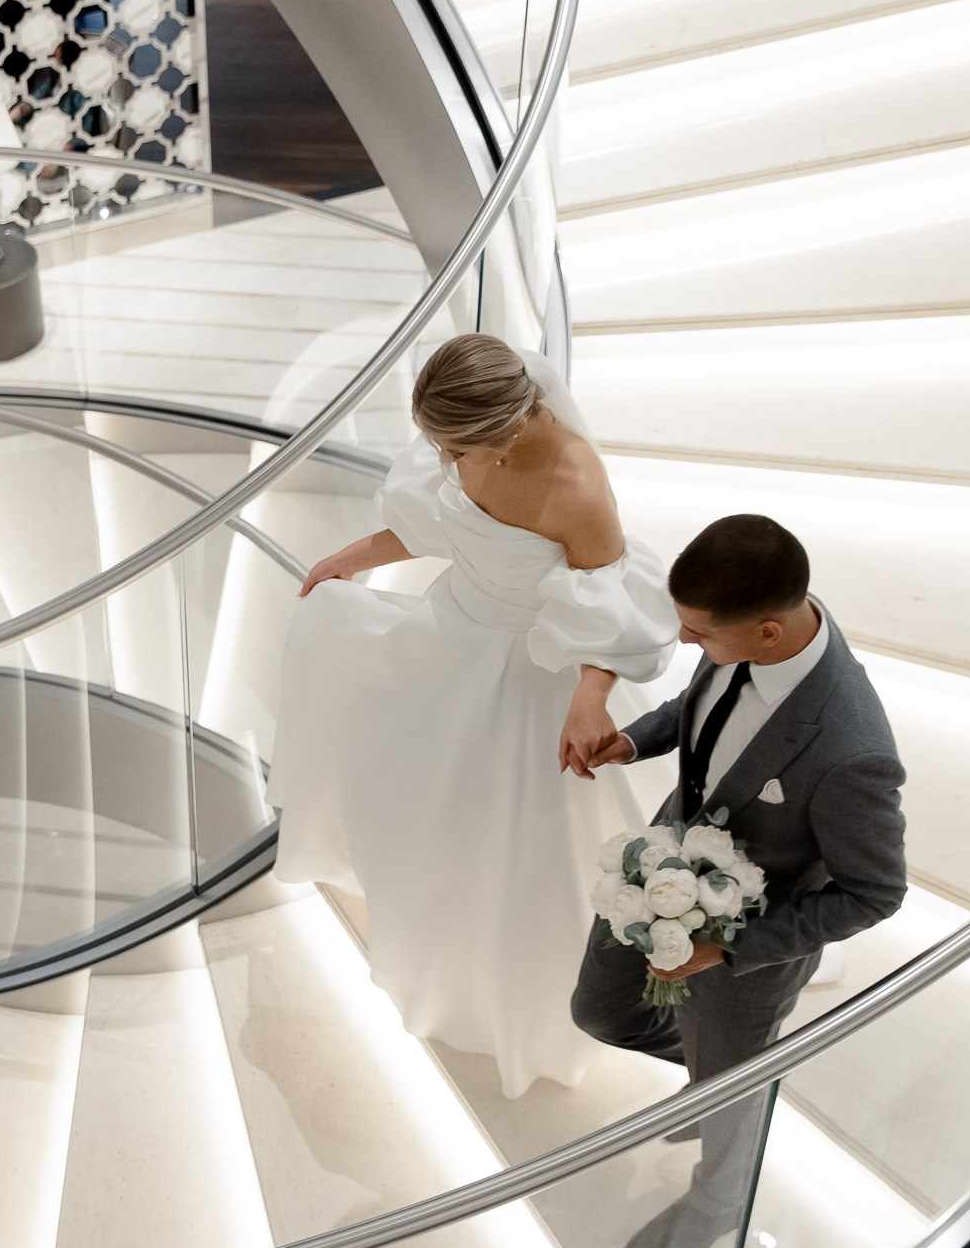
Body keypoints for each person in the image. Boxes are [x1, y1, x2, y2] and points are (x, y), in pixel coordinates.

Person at [270, 332, 679, 1097]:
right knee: (418, 797)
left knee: (518, 847)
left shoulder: (575, 483)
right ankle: (432, 941)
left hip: (533, 668)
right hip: (451, 633)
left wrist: (588, 701)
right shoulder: (460, 444)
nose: (446, 460)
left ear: (511, 427)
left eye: (457, 447)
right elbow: (441, 525)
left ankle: (521, 997)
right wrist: (357, 557)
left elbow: (608, 611)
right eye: (438, 444)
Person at [569, 514, 907, 1248]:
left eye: (698, 634)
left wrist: (726, 949)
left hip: (743, 952)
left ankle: (719, 1201)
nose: (686, 644)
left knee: (731, 1091)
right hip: (658, 876)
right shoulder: (743, 638)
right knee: (597, 1010)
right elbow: (704, 714)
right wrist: (635, 740)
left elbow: (875, 894)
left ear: (765, 632)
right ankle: (708, 1074)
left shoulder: (853, 751)